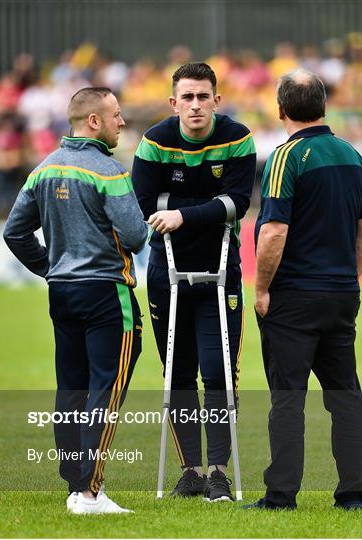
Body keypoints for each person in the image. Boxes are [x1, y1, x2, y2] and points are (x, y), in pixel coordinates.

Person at [3, 87, 148, 514]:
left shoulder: (43, 168)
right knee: (107, 387)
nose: (122, 122)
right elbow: (138, 235)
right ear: (94, 122)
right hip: (107, 293)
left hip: (62, 293)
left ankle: (73, 486)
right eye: (116, 115)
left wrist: (51, 266)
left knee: (71, 388)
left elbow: (14, 231)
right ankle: (90, 493)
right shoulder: (108, 170)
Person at [247, 68, 362, 511]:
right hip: (341, 294)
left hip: (294, 296)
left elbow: (273, 232)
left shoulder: (286, 157)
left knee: (287, 398)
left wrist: (261, 289)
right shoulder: (352, 154)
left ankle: (281, 495)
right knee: (345, 396)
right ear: (323, 106)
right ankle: (353, 494)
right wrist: (348, 278)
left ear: (280, 109)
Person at [132, 62, 256, 501]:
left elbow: (238, 203)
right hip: (167, 273)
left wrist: (183, 213)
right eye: (187, 97)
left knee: (219, 370)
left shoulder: (238, 138)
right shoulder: (154, 143)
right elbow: (145, 205)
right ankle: (190, 470)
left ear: (216, 100)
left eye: (204, 96)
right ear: (174, 103)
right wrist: (208, 207)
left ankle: (220, 471)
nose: (196, 105)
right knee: (177, 372)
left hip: (222, 273)